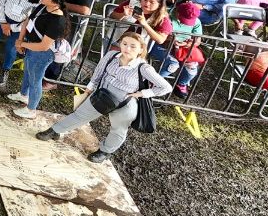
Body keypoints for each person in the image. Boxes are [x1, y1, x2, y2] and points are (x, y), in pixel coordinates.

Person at [35, 32, 171, 162]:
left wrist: (141, 94)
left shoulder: (143, 68)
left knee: (118, 129)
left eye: (133, 46)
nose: (127, 48)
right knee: (80, 115)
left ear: (141, 49)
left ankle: (105, 152)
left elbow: (165, 87)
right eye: (124, 44)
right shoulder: (112, 55)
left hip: (124, 101)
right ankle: (55, 131)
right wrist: (90, 87)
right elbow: (99, 71)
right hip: (103, 94)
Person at [8, 0, 69, 118]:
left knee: (36, 79)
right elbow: (27, 21)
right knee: (28, 72)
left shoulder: (58, 20)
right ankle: (24, 94)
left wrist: (22, 43)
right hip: (31, 46)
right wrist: (21, 40)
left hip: (42, 54)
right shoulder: (43, 6)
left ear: (55, 0)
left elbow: (44, 46)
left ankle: (31, 109)